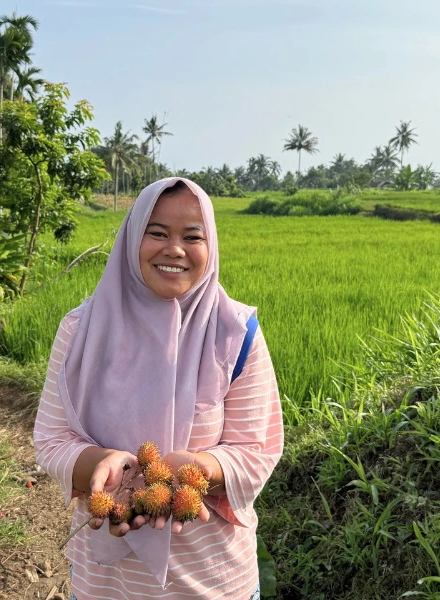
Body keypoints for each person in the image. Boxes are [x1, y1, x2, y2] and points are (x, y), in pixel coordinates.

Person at [34, 177, 284, 599]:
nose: (175, 249)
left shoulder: (236, 334)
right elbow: (52, 438)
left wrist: (199, 469)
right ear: (133, 238)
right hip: (106, 585)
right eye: (157, 233)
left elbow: (259, 450)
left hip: (213, 582)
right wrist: (103, 463)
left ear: (211, 246)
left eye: (192, 236)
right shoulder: (80, 331)